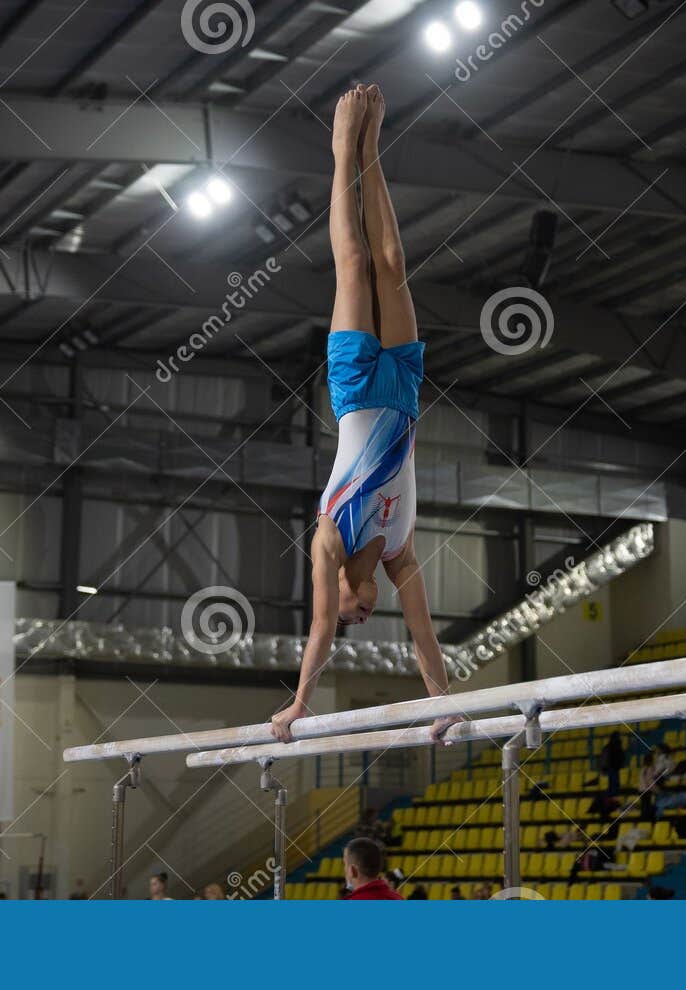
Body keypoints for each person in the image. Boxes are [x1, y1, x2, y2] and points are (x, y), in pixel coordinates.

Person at [270, 85, 455, 746]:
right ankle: (374, 147)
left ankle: (341, 149)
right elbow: (425, 638)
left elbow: (318, 628)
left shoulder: (328, 541)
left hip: (353, 389)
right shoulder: (400, 557)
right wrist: (443, 702)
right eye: (361, 616)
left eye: (352, 611)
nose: (358, 612)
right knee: (393, 265)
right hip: (404, 390)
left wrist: (299, 705)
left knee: (352, 266)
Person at [599, 731, 626, 800]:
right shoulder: (615, 746)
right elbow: (620, 756)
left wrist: (603, 768)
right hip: (613, 767)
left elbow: (604, 758)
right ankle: (611, 797)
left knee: (613, 784)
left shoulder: (608, 746)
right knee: (614, 784)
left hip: (612, 767)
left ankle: (610, 796)